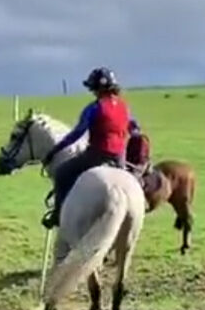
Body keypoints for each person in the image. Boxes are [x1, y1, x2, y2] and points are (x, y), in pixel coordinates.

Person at [41, 67, 137, 229]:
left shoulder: (95, 107)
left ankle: (57, 215)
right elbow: (134, 127)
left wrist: (55, 150)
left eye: (93, 89)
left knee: (62, 173)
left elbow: (78, 132)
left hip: (97, 154)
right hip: (120, 158)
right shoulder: (124, 106)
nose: (93, 92)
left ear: (98, 88)